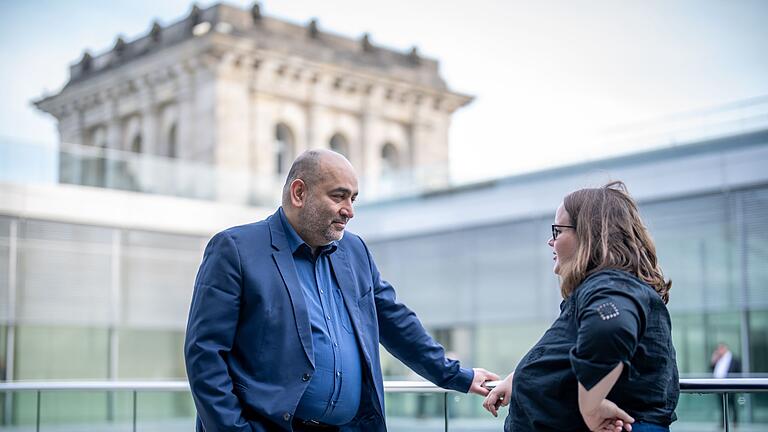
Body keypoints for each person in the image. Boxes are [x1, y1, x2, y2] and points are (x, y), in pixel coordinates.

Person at [184, 149, 498, 432]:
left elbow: (398, 324)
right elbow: (205, 355)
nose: (349, 210)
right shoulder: (235, 250)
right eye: (339, 196)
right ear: (299, 193)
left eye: (353, 198)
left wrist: (460, 376)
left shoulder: (355, 251)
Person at [483, 181, 679, 432]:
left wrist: (591, 406)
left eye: (558, 231)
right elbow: (576, 353)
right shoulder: (608, 287)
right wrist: (519, 377)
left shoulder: (610, 285)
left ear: (590, 234)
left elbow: (610, 326)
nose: (550, 242)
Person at [711, 343, 741, 427]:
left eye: (720, 348)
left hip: (730, 385)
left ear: (725, 348)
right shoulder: (719, 359)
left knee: (733, 405)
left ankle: (735, 422)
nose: (719, 351)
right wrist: (713, 361)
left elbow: (738, 371)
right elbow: (712, 370)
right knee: (722, 406)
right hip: (718, 386)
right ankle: (723, 423)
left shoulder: (734, 359)